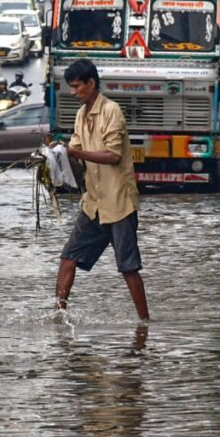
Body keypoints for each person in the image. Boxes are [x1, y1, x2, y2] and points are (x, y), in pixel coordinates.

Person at [54, 58, 149, 322]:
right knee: (68, 258)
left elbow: (113, 156)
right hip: (93, 203)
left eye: (76, 87)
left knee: (128, 268)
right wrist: (56, 155)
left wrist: (75, 151)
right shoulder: (81, 115)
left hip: (118, 202)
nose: (73, 93)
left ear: (91, 83)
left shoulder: (111, 111)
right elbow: (74, 154)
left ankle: (144, 322)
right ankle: (58, 316)